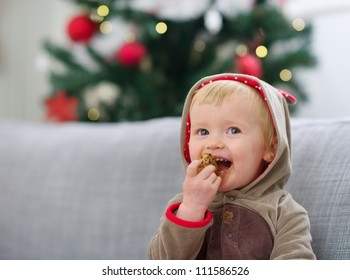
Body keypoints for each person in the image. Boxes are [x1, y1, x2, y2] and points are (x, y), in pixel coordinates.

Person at [148, 73, 315, 260]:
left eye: (233, 130)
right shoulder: (181, 207)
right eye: (202, 131)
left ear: (271, 148)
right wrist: (191, 209)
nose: (213, 143)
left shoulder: (284, 212)